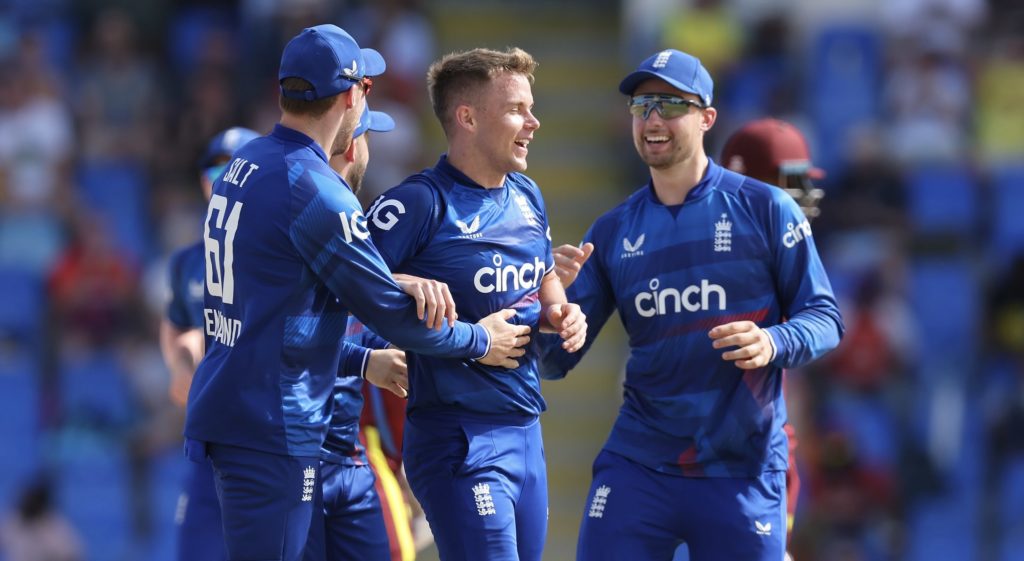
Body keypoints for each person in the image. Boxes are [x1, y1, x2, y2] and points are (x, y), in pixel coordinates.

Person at [183, 25, 530, 561]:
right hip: (274, 425)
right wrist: (479, 339)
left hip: (245, 412)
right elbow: (392, 315)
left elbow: (282, 306)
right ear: (352, 95)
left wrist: (366, 354)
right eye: (366, 88)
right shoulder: (315, 188)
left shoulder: (246, 164)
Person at [540, 49, 843, 561]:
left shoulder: (767, 208)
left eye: (668, 105)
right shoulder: (613, 231)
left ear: (707, 118)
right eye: (642, 107)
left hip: (739, 468)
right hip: (639, 464)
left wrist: (772, 340)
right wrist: (552, 312)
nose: (652, 120)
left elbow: (826, 318)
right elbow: (555, 361)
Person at [364, 47, 587, 561]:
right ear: (467, 117)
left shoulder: (528, 195)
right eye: (516, 109)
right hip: (457, 437)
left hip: (527, 432)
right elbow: (341, 280)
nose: (533, 121)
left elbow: (544, 275)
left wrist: (561, 311)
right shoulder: (419, 203)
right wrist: (401, 284)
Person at [302, 105, 413, 561]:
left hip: (344, 451)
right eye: (367, 137)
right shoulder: (318, 222)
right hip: (307, 453)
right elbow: (294, 337)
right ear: (351, 148)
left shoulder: (347, 231)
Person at [720, 117, 827, 555]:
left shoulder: (789, 255)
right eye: (791, 182)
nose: (805, 197)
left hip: (770, 446)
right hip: (707, 460)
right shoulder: (708, 257)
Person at [160, 125, 259, 561]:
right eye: (215, 167)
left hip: (272, 440)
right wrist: (182, 364)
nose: (222, 178)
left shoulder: (290, 247)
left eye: (236, 169)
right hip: (210, 441)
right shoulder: (188, 261)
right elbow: (177, 324)